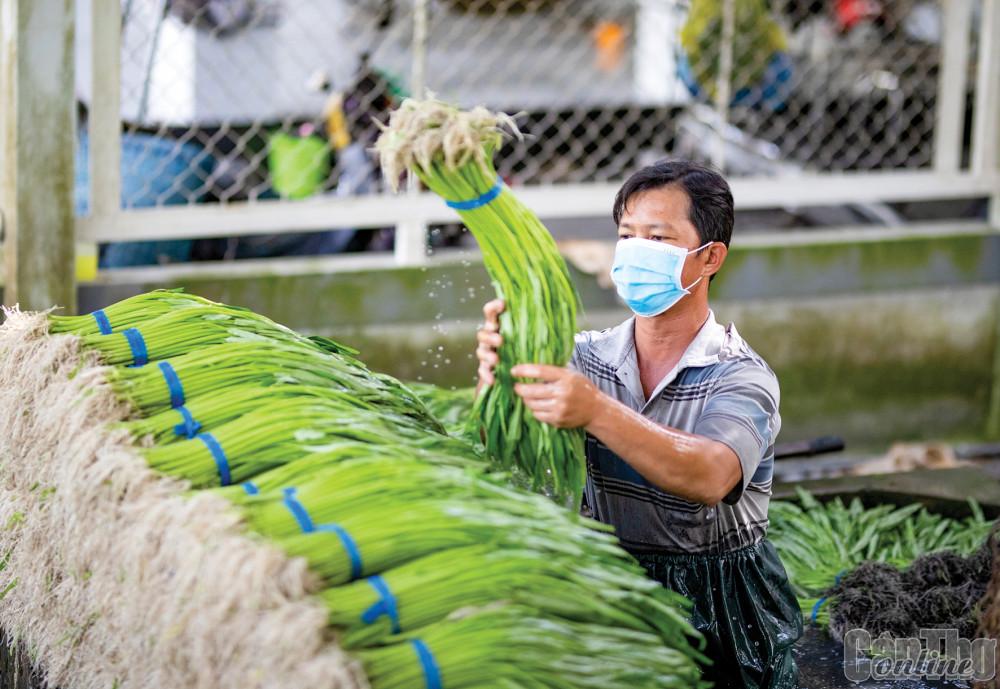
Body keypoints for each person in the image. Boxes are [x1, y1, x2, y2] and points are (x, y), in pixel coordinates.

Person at [474, 160, 803, 689]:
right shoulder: (582, 359)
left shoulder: (743, 377)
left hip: (720, 607)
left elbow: (711, 475)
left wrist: (596, 412)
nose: (635, 249)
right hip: (607, 586)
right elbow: (503, 449)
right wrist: (496, 382)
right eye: (627, 235)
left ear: (710, 257)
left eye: (658, 236)